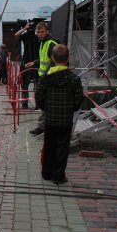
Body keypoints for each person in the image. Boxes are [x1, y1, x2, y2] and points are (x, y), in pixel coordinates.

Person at [35, 45, 84, 185]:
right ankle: (58, 175)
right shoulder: (73, 78)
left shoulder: (46, 77)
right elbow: (79, 98)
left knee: (49, 146)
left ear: (52, 58)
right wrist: (72, 108)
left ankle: (47, 173)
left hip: (50, 118)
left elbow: (38, 96)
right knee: (63, 147)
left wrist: (46, 108)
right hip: (66, 118)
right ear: (68, 58)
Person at [24, 22, 58, 135]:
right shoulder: (43, 43)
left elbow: (55, 62)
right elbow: (45, 60)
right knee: (43, 103)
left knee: (45, 103)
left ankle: (44, 126)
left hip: (48, 79)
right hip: (44, 78)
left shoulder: (51, 43)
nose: (39, 34)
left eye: (42, 31)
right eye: (38, 32)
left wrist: (46, 75)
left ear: (47, 31)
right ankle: (43, 125)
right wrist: (34, 62)